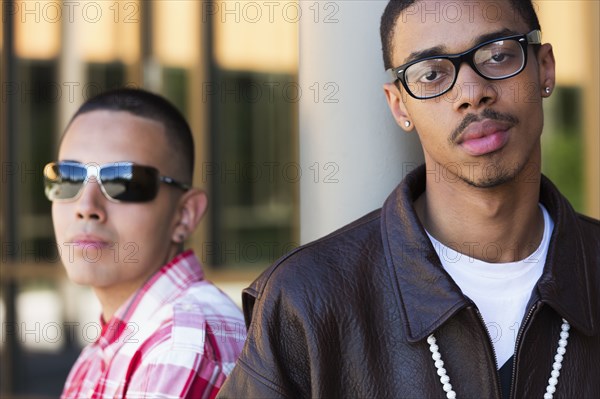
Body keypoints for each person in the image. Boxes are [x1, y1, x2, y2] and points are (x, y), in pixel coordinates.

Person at [217, 1, 600, 398]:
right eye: (432, 74)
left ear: (546, 69)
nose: (472, 93)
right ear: (400, 105)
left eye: (498, 55)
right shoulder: (307, 297)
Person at [45, 88, 245, 398]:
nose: (86, 205)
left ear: (184, 215)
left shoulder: (183, 342)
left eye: (123, 182)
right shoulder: (101, 353)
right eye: (68, 178)